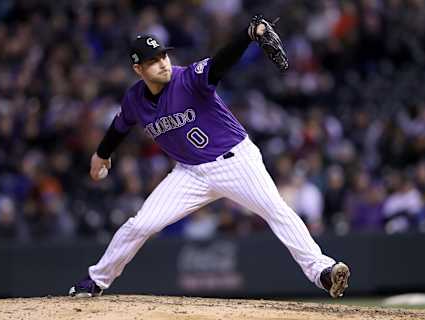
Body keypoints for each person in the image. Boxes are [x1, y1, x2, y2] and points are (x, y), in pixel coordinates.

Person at [69, 15, 350, 299]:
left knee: (276, 210)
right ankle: (94, 281)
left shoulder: (188, 78)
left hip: (235, 161)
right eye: (153, 60)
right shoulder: (134, 99)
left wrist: (248, 34)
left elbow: (219, 63)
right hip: (189, 173)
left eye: (164, 55)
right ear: (138, 68)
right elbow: (119, 127)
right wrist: (101, 154)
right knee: (140, 224)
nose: (163, 62)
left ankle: (323, 271)